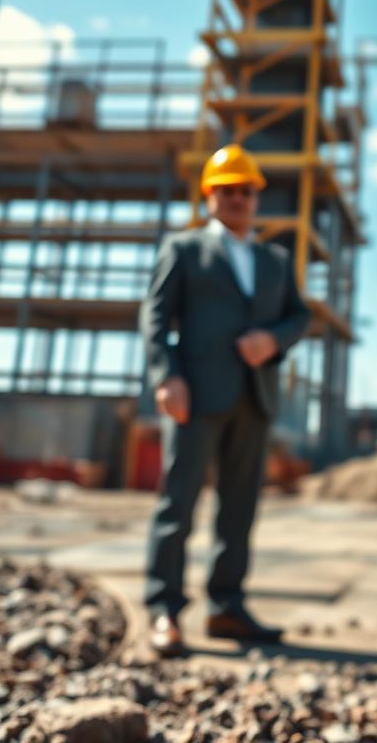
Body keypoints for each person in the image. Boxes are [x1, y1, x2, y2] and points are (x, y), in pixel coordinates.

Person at [140, 144, 311, 657]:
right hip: (195, 395)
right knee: (179, 504)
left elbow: (298, 317)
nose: (236, 198)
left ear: (255, 197)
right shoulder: (184, 250)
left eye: (245, 191)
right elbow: (155, 318)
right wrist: (166, 377)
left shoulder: (275, 262)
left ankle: (226, 608)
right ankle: (164, 610)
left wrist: (272, 340)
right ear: (209, 195)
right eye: (226, 190)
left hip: (253, 400)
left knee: (238, 510)